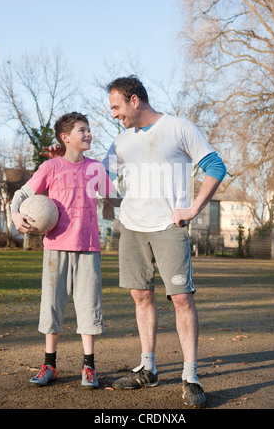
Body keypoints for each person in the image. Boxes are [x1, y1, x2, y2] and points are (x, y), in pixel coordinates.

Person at [102, 76, 226, 408]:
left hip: (168, 227)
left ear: (134, 100)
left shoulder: (178, 127)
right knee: (141, 295)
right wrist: (119, 202)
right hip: (131, 228)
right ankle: (148, 367)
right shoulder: (122, 142)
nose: (114, 115)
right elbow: (98, 178)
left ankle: (190, 375)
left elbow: (215, 166)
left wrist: (194, 208)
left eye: (116, 107)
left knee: (181, 298)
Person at [11, 112, 116, 389]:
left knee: (89, 308)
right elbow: (22, 194)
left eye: (89, 130)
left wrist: (118, 172)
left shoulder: (96, 169)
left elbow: (116, 199)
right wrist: (14, 214)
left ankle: (89, 367)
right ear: (65, 137)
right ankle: (49, 365)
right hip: (55, 248)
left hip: (88, 248)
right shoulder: (51, 167)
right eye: (82, 130)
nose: (88, 134)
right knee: (52, 308)